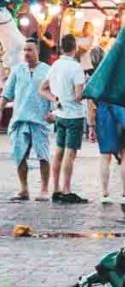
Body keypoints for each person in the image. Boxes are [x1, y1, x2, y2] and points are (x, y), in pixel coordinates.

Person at [39, 33, 88, 204]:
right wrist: (88, 89)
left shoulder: (55, 65)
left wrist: (55, 99)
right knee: (70, 153)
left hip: (60, 113)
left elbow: (42, 88)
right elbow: (78, 96)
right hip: (74, 115)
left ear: (61, 48)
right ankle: (67, 190)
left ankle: (56, 189)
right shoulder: (76, 68)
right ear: (75, 47)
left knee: (59, 151)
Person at [0, 38, 52, 201]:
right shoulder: (17, 70)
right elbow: (7, 94)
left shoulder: (47, 71)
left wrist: (53, 112)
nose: (27, 53)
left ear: (37, 51)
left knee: (43, 155)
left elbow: (54, 92)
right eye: (25, 50)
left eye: (30, 50)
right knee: (20, 155)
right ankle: (24, 189)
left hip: (40, 120)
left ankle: (44, 189)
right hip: (20, 120)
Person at [85, 47, 125, 204]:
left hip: (103, 117)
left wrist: (91, 127)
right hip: (120, 114)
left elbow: (91, 106)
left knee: (105, 156)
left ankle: (105, 193)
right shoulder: (118, 75)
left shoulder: (93, 79)